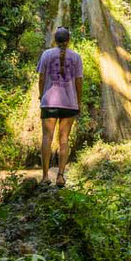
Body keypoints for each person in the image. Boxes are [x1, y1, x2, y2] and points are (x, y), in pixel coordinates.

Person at [37, 27, 83, 186]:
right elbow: (79, 81)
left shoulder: (46, 54)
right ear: (68, 40)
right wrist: (79, 101)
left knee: (46, 138)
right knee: (64, 139)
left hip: (49, 102)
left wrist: (41, 96)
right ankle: (61, 176)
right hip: (69, 103)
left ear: (55, 40)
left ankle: (44, 177)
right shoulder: (76, 57)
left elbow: (41, 78)